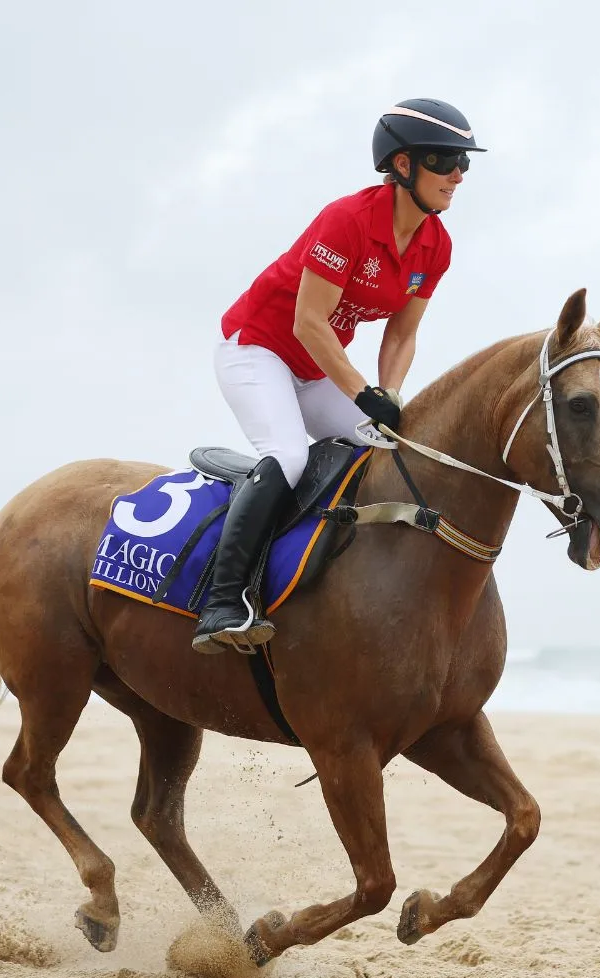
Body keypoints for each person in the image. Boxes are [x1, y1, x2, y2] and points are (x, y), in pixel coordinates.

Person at [192, 98, 485, 654]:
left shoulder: (436, 245)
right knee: (290, 456)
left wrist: (389, 396)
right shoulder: (346, 220)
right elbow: (308, 323)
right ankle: (223, 602)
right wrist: (361, 393)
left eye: (465, 164)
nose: (458, 174)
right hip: (257, 349)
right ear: (402, 165)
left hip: (315, 368)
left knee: (390, 450)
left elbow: (400, 335)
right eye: (446, 160)